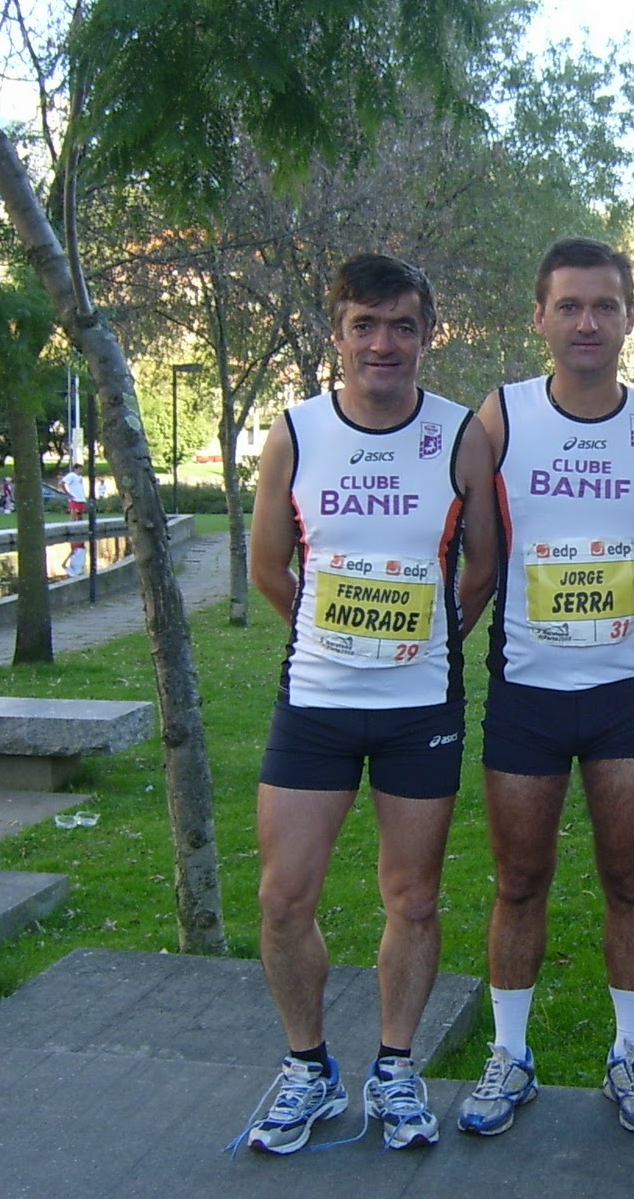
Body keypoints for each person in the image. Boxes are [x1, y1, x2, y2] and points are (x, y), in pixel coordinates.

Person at [239, 253, 497, 1156]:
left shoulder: (461, 434)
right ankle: (308, 1069)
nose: (383, 343)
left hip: (420, 707)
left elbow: (483, 565)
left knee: (413, 899)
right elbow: (268, 568)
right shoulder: (296, 433)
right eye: (365, 325)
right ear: (337, 333)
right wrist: (334, 636)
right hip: (315, 701)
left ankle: (395, 1068)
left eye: (402, 326)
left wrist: (425, 642)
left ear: (427, 335)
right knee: (283, 898)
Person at [457, 238, 634, 1138]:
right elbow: (473, 539)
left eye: (605, 306)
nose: (587, 322)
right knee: (519, 881)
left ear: (630, 317)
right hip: (527, 694)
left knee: (631, 881)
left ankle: (630, 1054)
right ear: (541, 318)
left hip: (625, 697)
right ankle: (509, 1056)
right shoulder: (504, 416)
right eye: (569, 306)